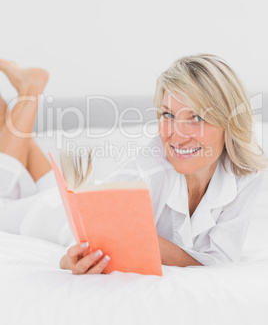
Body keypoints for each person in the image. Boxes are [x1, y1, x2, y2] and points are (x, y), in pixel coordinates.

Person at [0, 56, 266, 275]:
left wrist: (140, 239)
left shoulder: (245, 171)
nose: (177, 134)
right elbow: (87, 247)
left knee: (19, 153)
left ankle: (22, 101)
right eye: (168, 115)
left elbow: (221, 261)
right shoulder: (144, 172)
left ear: (229, 121)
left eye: (196, 117)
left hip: (98, 194)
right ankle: (30, 92)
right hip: (54, 212)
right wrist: (77, 259)